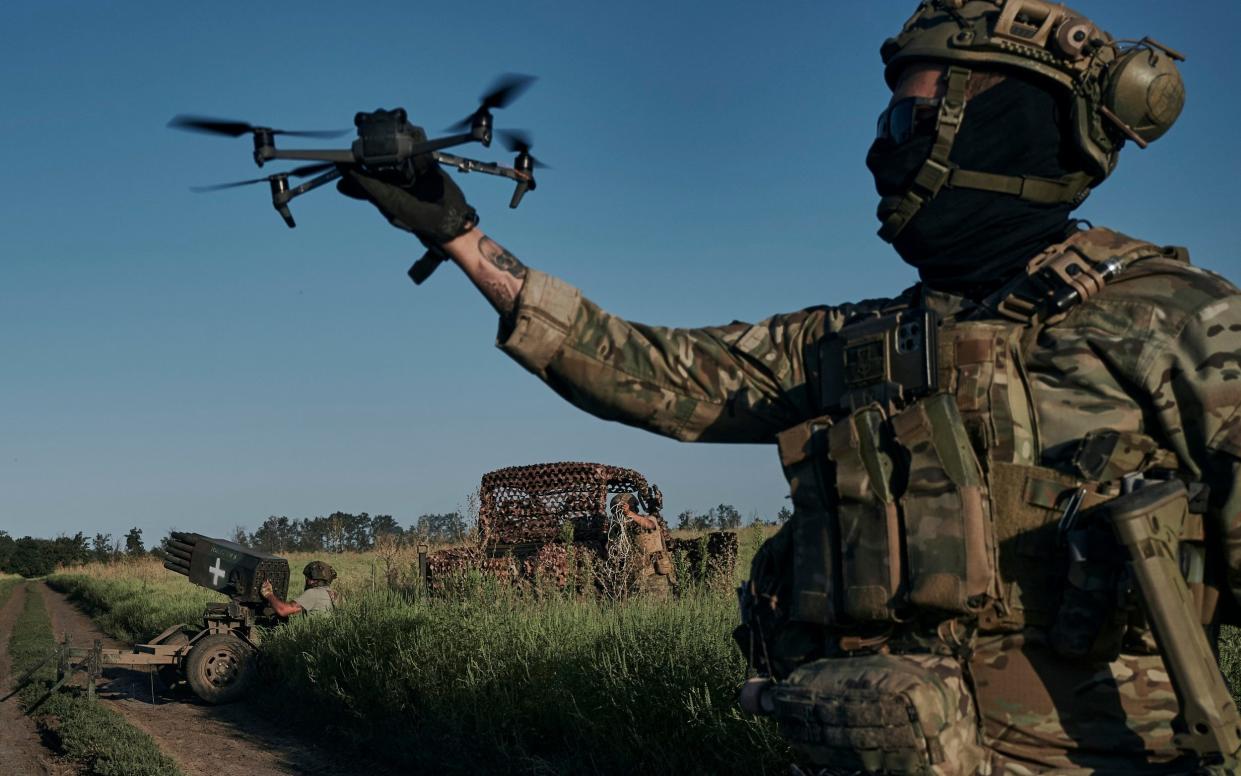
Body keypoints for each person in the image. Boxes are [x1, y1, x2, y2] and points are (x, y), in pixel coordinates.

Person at [338, 1, 1241, 772]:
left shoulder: (1175, 319)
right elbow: (641, 371)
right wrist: (456, 234)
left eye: (908, 122)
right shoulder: (859, 344)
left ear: (1008, 122)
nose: (880, 153)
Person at [609, 492, 674, 595]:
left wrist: (629, 513)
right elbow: (611, 547)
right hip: (636, 574)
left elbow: (650, 525)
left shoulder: (647, 519)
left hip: (655, 573)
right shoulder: (620, 527)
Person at [261, 560, 338, 617]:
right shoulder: (333, 594)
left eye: (308, 578)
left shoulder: (312, 593)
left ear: (312, 581)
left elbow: (283, 610)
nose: (307, 580)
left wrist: (269, 594)